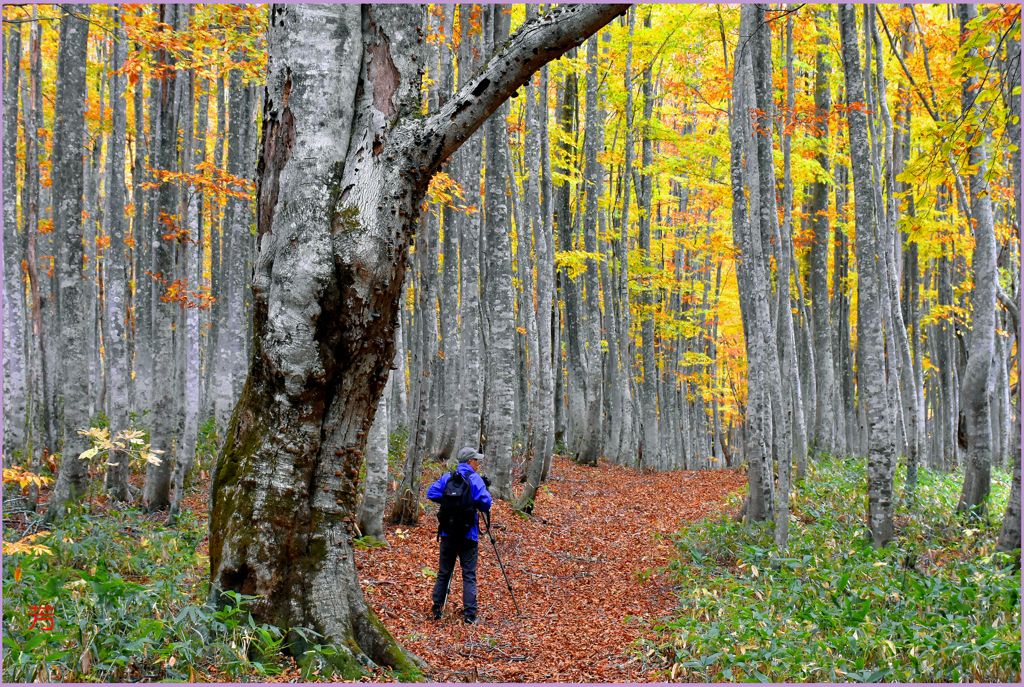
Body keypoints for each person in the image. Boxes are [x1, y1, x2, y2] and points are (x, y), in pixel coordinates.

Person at [427, 446, 492, 624]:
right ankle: (470, 616)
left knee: (443, 572)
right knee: (469, 574)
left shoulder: (448, 477)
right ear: (470, 462)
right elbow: (486, 503)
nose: (478, 464)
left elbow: (431, 493)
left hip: (448, 533)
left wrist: (449, 502)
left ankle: (437, 609)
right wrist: (471, 502)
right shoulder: (475, 480)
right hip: (468, 535)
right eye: (477, 460)